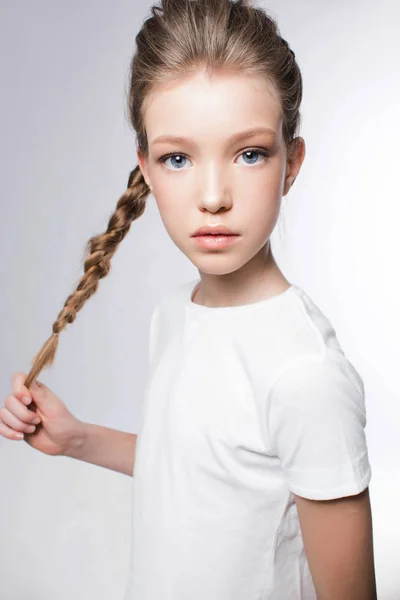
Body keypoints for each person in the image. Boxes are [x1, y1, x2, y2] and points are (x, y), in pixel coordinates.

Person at [0, 1, 377, 598]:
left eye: (249, 153)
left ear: (292, 163)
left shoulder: (307, 376)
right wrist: (76, 439)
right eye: (178, 158)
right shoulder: (175, 314)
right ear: (146, 169)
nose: (212, 196)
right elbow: (196, 475)